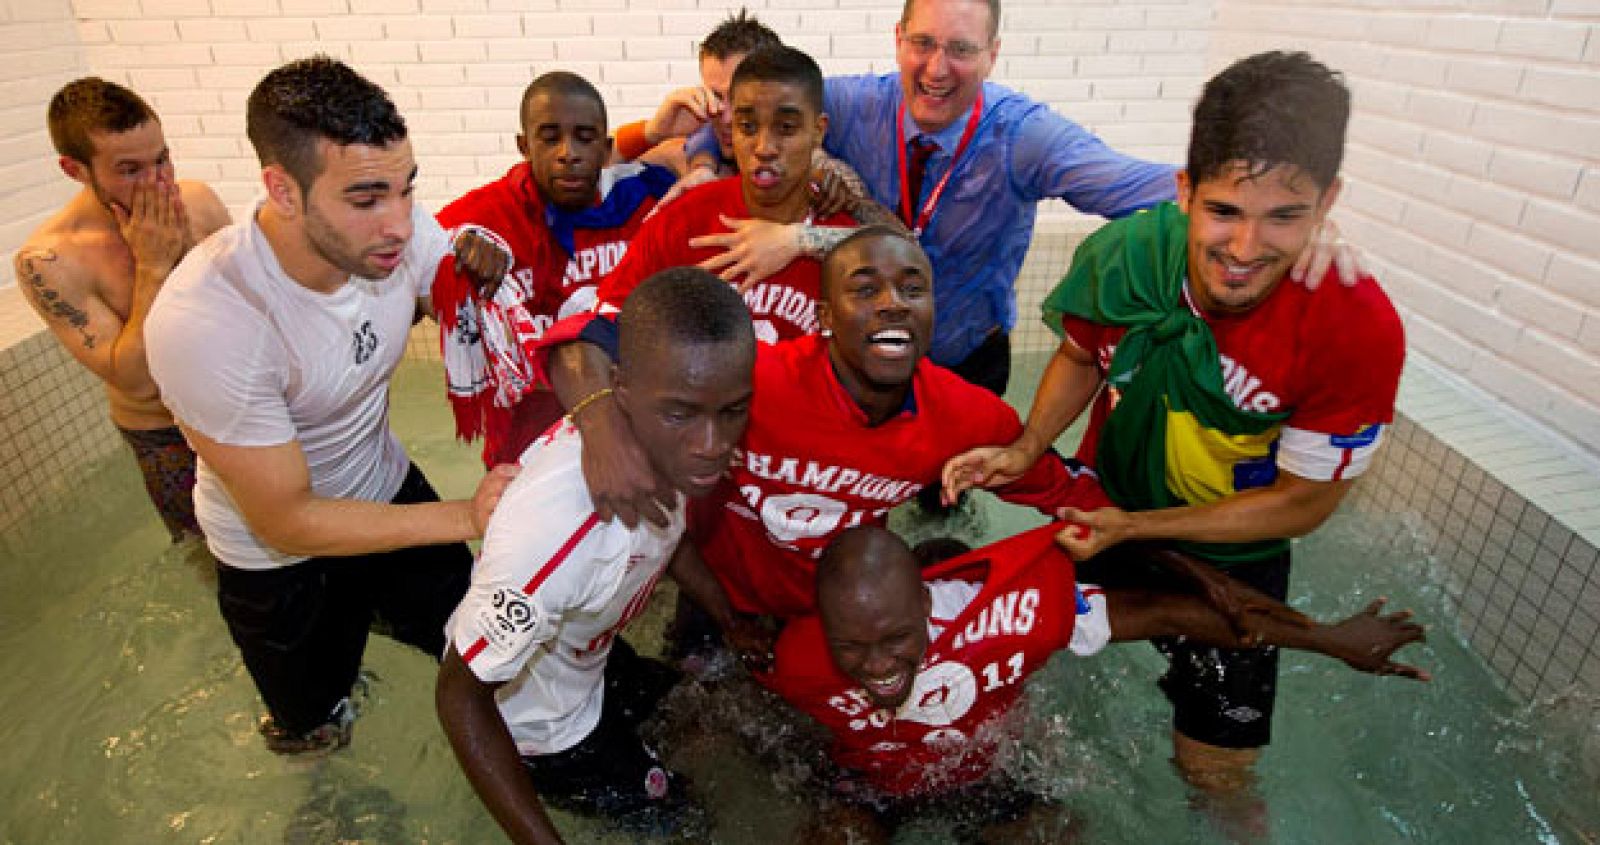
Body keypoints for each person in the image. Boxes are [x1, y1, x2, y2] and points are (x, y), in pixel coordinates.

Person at [943, 51, 1402, 818]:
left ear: (1328, 203)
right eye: (1224, 210)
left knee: (1218, 775)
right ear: (1184, 188)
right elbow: (1080, 352)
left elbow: (1302, 505)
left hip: (1236, 550)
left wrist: (1138, 525)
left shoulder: (1355, 328)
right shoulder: (1126, 253)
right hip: (1105, 509)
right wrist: (1027, 447)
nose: (1247, 247)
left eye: (1285, 216)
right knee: (1031, 683)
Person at [682, 0, 1356, 397]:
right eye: (922, 43)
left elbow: (1145, 186)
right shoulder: (853, 103)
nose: (937, 68)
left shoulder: (1023, 136)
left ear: (994, 54)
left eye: (961, 49)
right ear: (898, 40)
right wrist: (699, 155)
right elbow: (758, 112)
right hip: (868, 350)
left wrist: (1279, 220)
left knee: (951, 506)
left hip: (968, 355)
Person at [144, 56, 517, 754]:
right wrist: (468, 515)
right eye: (368, 197)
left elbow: (482, 315)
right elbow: (287, 519)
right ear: (282, 190)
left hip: (385, 487)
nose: (401, 225)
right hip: (275, 562)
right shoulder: (211, 322)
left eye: (407, 190)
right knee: (314, 732)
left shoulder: (387, 241)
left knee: (487, 651)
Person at [550, 227, 1089, 625]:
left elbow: (1067, 493)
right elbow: (583, 334)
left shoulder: (965, 416)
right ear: (825, 317)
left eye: (912, 289)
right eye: (865, 289)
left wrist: (1138, 534)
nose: (892, 305)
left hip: (840, 614)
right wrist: (601, 429)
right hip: (719, 597)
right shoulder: (757, 379)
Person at [765, 524, 1428, 842]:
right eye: (851, 645)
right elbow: (763, 702)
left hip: (986, 773)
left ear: (928, 603)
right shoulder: (797, 655)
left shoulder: (1010, 615)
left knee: (1061, 835)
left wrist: (1328, 639)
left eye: (896, 637)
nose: (877, 664)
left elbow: (1168, 611)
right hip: (873, 786)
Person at [435, 268, 757, 844]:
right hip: (545, 732)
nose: (713, 445)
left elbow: (668, 532)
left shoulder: (667, 443)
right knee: (686, 822)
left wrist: (728, 620)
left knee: (700, 713)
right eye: (684, 413)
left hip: (590, 659)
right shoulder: (560, 534)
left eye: (733, 411)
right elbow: (460, 696)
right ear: (621, 392)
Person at [15, 78, 231, 543]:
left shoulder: (197, 201)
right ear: (74, 169)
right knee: (219, 561)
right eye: (130, 170)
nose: (158, 181)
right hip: (165, 436)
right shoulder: (51, 260)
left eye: (162, 159)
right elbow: (131, 377)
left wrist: (189, 248)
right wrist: (152, 265)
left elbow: (253, 307)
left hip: (237, 405)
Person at [433, 71, 676, 467]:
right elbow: (403, 259)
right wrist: (451, 252)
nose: (568, 152)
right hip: (530, 438)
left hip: (633, 421)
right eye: (549, 137)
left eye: (585, 137)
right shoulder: (488, 215)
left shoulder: (642, 201)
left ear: (606, 147)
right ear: (523, 146)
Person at [592, 44, 902, 341]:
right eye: (748, 127)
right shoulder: (685, 217)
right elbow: (600, 326)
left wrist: (799, 240)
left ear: (818, 132)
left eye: (786, 128)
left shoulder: (845, 224)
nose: (764, 148)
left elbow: (903, 256)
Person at [608, 8, 782, 175]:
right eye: (716, 96)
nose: (727, 118)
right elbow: (589, 164)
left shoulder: (801, 159)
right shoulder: (683, 154)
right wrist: (652, 132)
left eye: (739, 98)